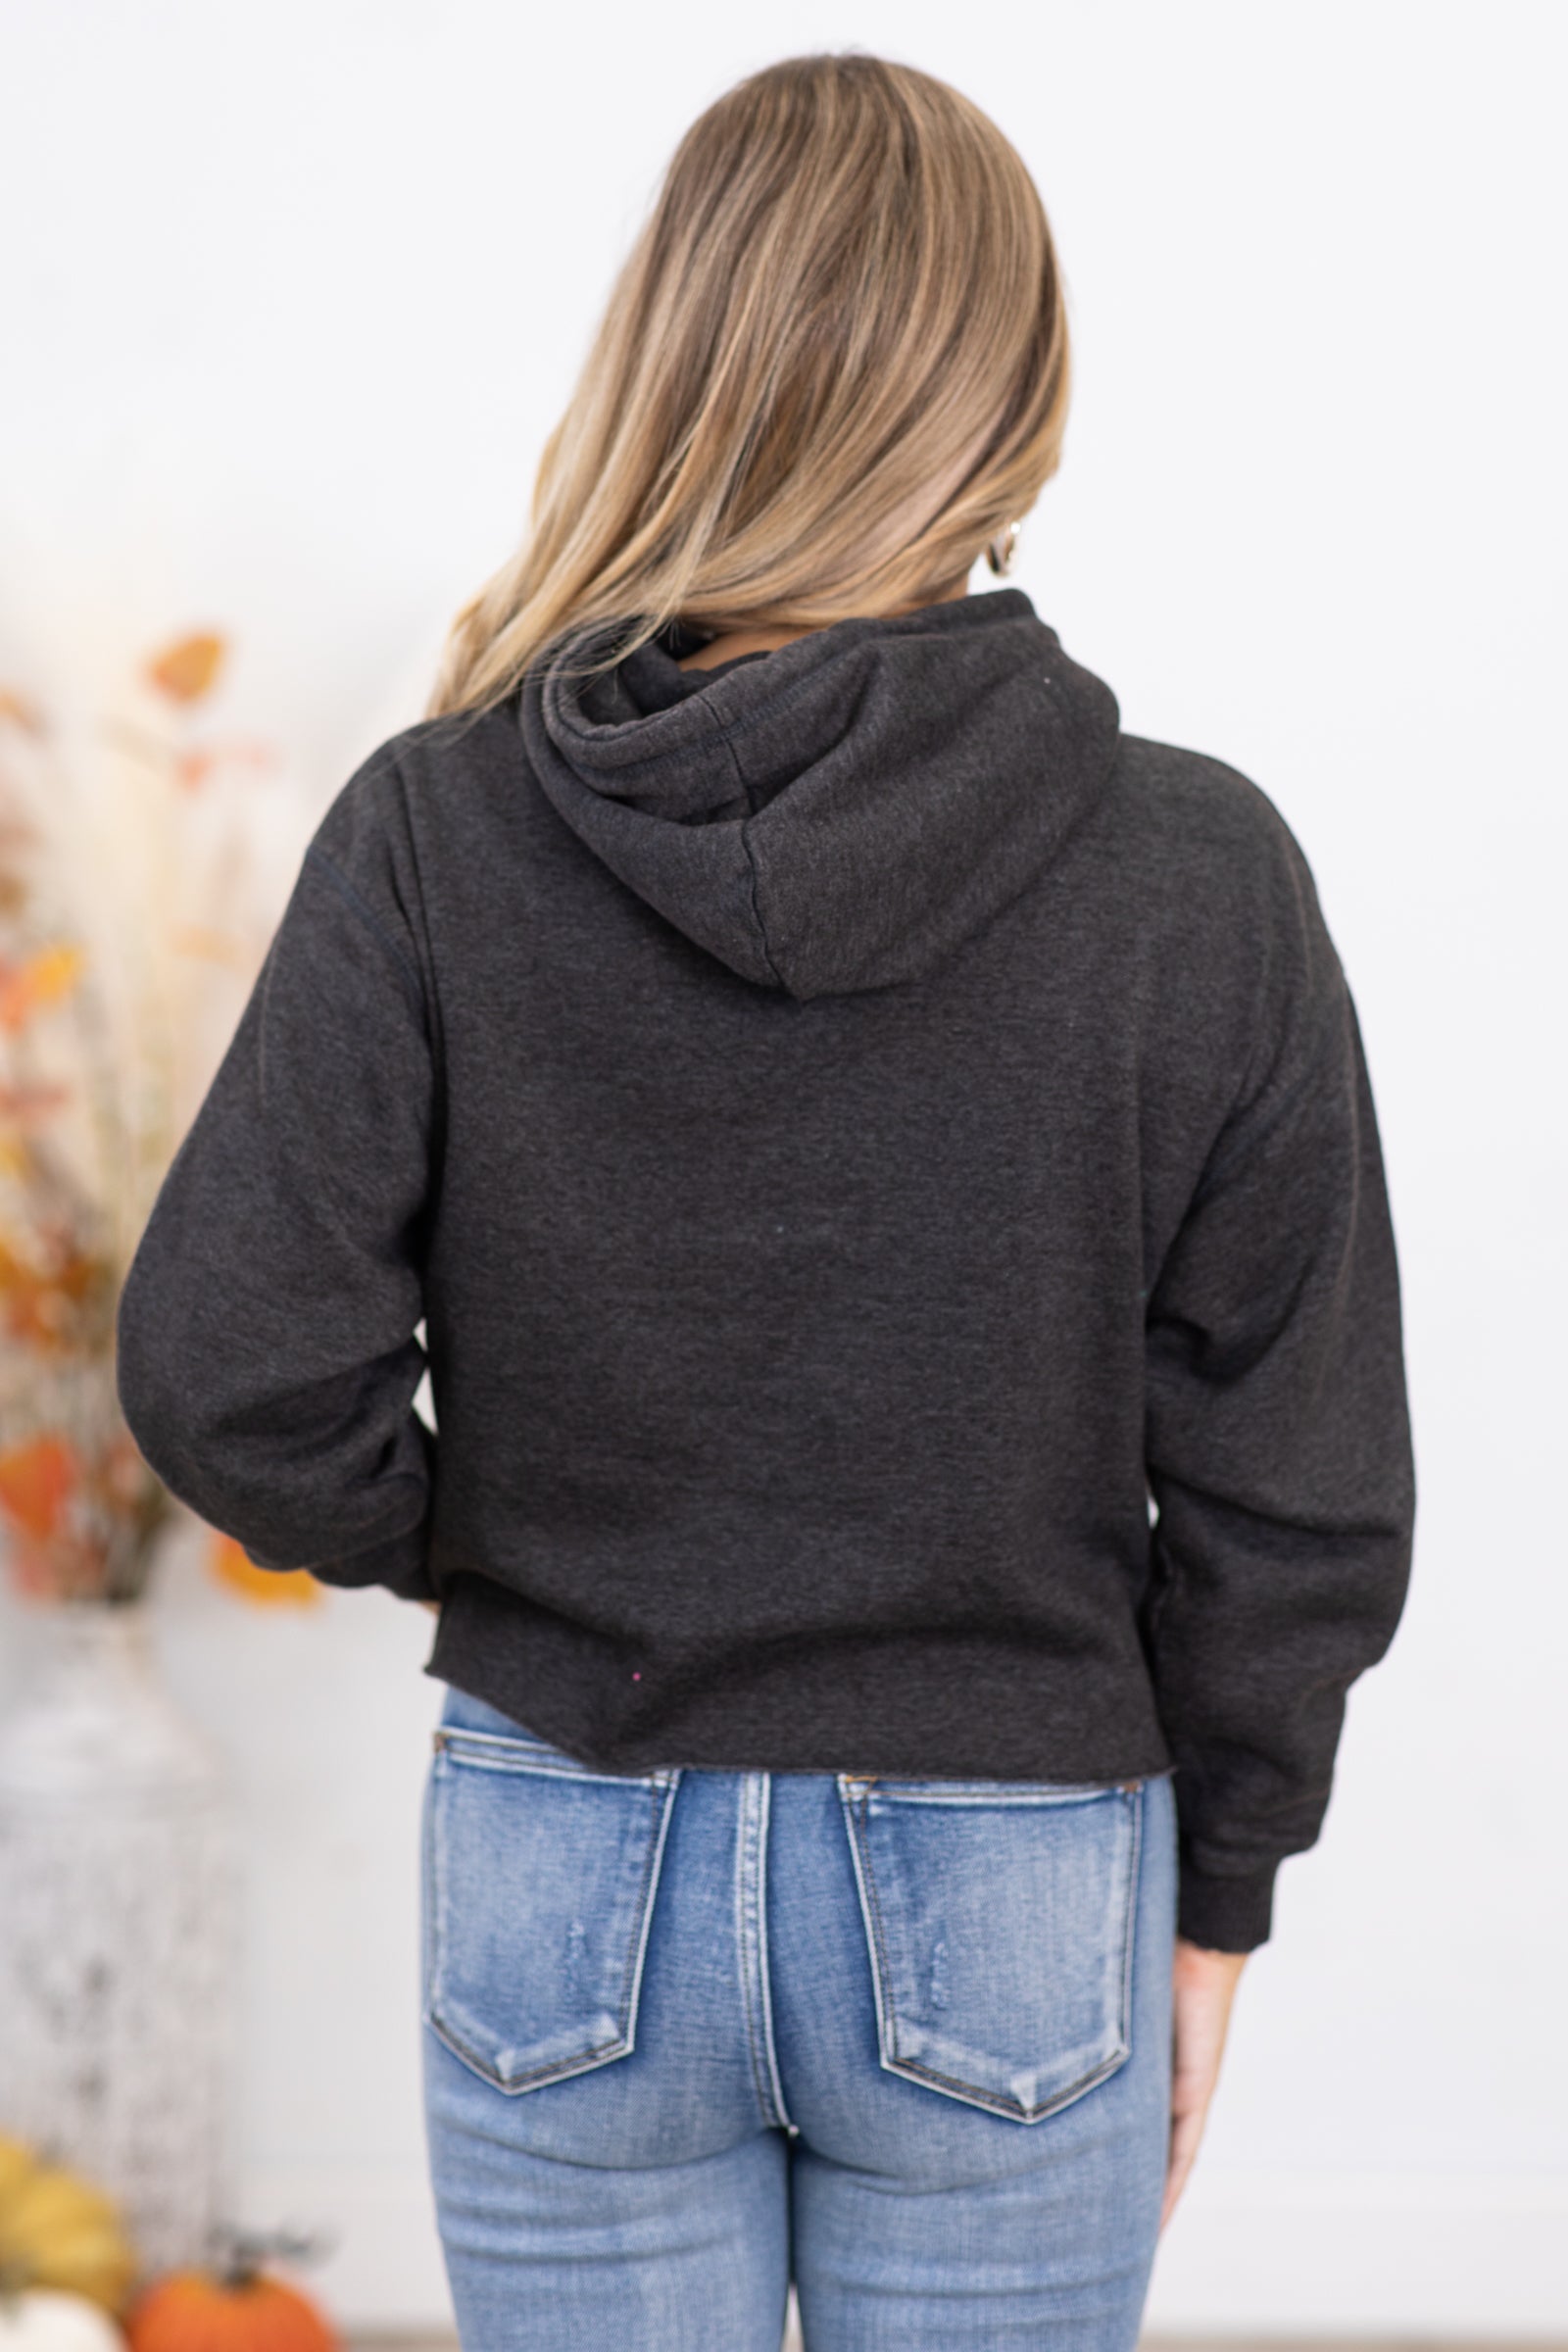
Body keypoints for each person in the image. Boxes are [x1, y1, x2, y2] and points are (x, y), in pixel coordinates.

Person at [114, 48, 1416, 2352]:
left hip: (565, 1837)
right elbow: (1290, 1485)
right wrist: (1217, 1892)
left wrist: (500, 1543)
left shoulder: (436, 827)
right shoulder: (1194, 872)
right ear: (1009, 402)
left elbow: (232, 1367)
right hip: (1016, 1870)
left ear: (671, 365)